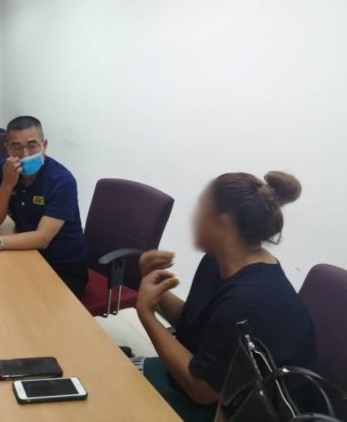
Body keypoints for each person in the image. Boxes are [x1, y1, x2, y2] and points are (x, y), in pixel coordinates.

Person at [134, 171, 315, 421]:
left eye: (200, 209)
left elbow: (201, 390)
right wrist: (154, 284)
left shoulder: (249, 299)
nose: (193, 218)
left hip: (241, 411)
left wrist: (146, 315)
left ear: (222, 224)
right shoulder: (217, 261)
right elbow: (196, 326)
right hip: (210, 389)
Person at [0, 116, 89, 297]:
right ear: (7, 148)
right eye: (17, 147)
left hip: (62, 267)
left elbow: (42, 238)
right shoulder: (5, 169)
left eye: (32, 146)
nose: (25, 154)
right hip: (25, 252)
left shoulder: (62, 181)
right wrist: (7, 185)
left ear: (44, 145)